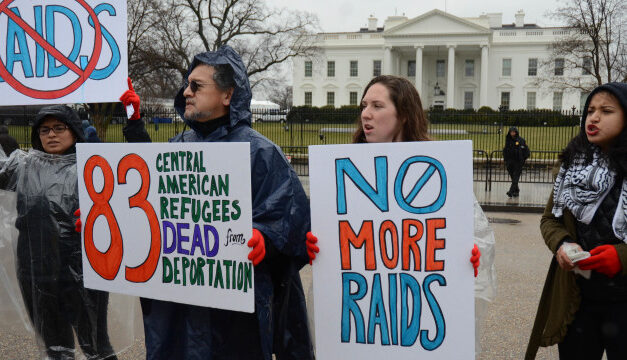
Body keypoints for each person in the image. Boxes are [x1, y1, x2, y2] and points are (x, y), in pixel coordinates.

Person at [119, 46, 313, 359]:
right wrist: (102, 222)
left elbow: (293, 224)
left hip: (235, 321)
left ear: (227, 94)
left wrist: (265, 238)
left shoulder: (262, 154)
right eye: (187, 84)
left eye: (196, 86)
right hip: (179, 313)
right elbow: (149, 203)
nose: (186, 92)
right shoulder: (177, 146)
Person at [306, 75, 497, 354]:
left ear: (404, 115)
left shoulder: (436, 173)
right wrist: (314, 245)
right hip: (364, 324)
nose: (366, 114)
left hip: (419, 326)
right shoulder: (342, 175)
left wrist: (469, 257)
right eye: (364, 106)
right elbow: (332, 239)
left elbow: (474, 238)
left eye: (377, 106)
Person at [0, 105, 117, 359]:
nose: (51, 134)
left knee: (96, 344)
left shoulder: (93, 167)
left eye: (58, 128)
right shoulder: (23, 165)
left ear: (73, 130)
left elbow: (119, 211)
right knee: (55, 346)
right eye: (44, 129)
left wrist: (99, 217)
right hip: (36, 270)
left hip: (83, 269)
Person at [526, 82, 627, 360]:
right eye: (590, 110)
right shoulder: (573, 165)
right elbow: (550, 220)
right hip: (578, 297)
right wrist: (563, 244)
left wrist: (621, 256)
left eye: (606, 111)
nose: (593, 118)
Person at [503, 126, 530, 198]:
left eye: (513, 132)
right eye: (511, 132)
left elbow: (526, 151)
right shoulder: (508, 140)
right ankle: (516, 190)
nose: (512, 133)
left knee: (516, 177)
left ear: (516, 132)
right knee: (513, 176)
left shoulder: (521, 140)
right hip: (510, 162)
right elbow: (505, 150)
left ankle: (511, 191)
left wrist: (523, 159)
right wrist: (506, 159)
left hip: (518, 162)